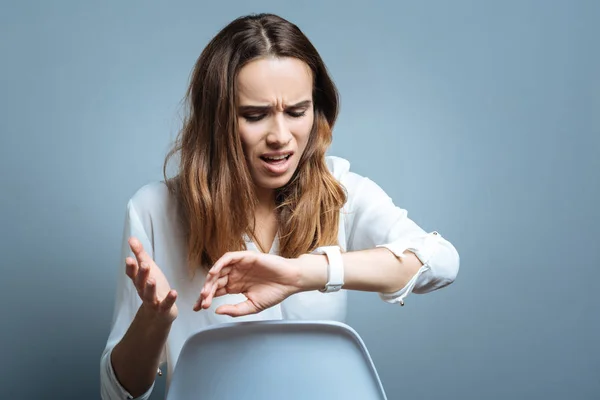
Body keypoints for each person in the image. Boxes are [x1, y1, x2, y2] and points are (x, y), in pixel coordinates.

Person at [100, 12, 460, 400]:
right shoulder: (154, 210)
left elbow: (441, 261)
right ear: (216, 120)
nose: (280, 136)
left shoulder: (339, 193)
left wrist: (307, 273)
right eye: (255, 116)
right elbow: (117, 392)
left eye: (296, 112)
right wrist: (154, 322)